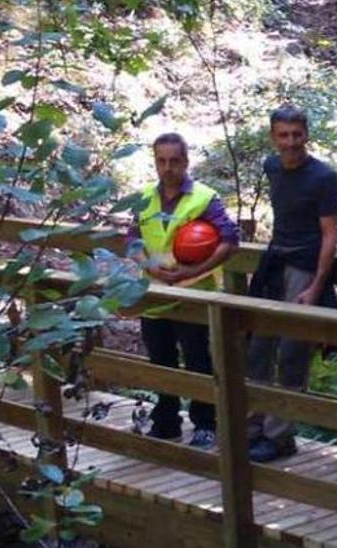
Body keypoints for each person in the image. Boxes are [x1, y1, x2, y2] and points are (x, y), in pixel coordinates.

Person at [128, 132, 240, 449]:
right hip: (154, 292)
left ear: (185, 161)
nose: (168, 167)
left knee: (198, 361)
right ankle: (166, 421)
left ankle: (205, 424)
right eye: (161, 161)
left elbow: (229, 241)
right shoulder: (145, 197)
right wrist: (148, 265)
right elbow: (132, 238)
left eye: (174, 160)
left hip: (194, 293)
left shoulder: (204, 198)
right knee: (160, 359)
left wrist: (194, 270)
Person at [245, 105, 337, 462]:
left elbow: (330, 235)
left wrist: (316, 287)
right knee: (257, 348)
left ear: (306, 135)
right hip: (273, 263)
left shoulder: (323, 178)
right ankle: (252, 427)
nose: (290, 142)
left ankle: (280, 436)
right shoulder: (272, 167)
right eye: (283, 135)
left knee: (291, 353)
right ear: (273, 137)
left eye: (296, 134)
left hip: (305, 265)